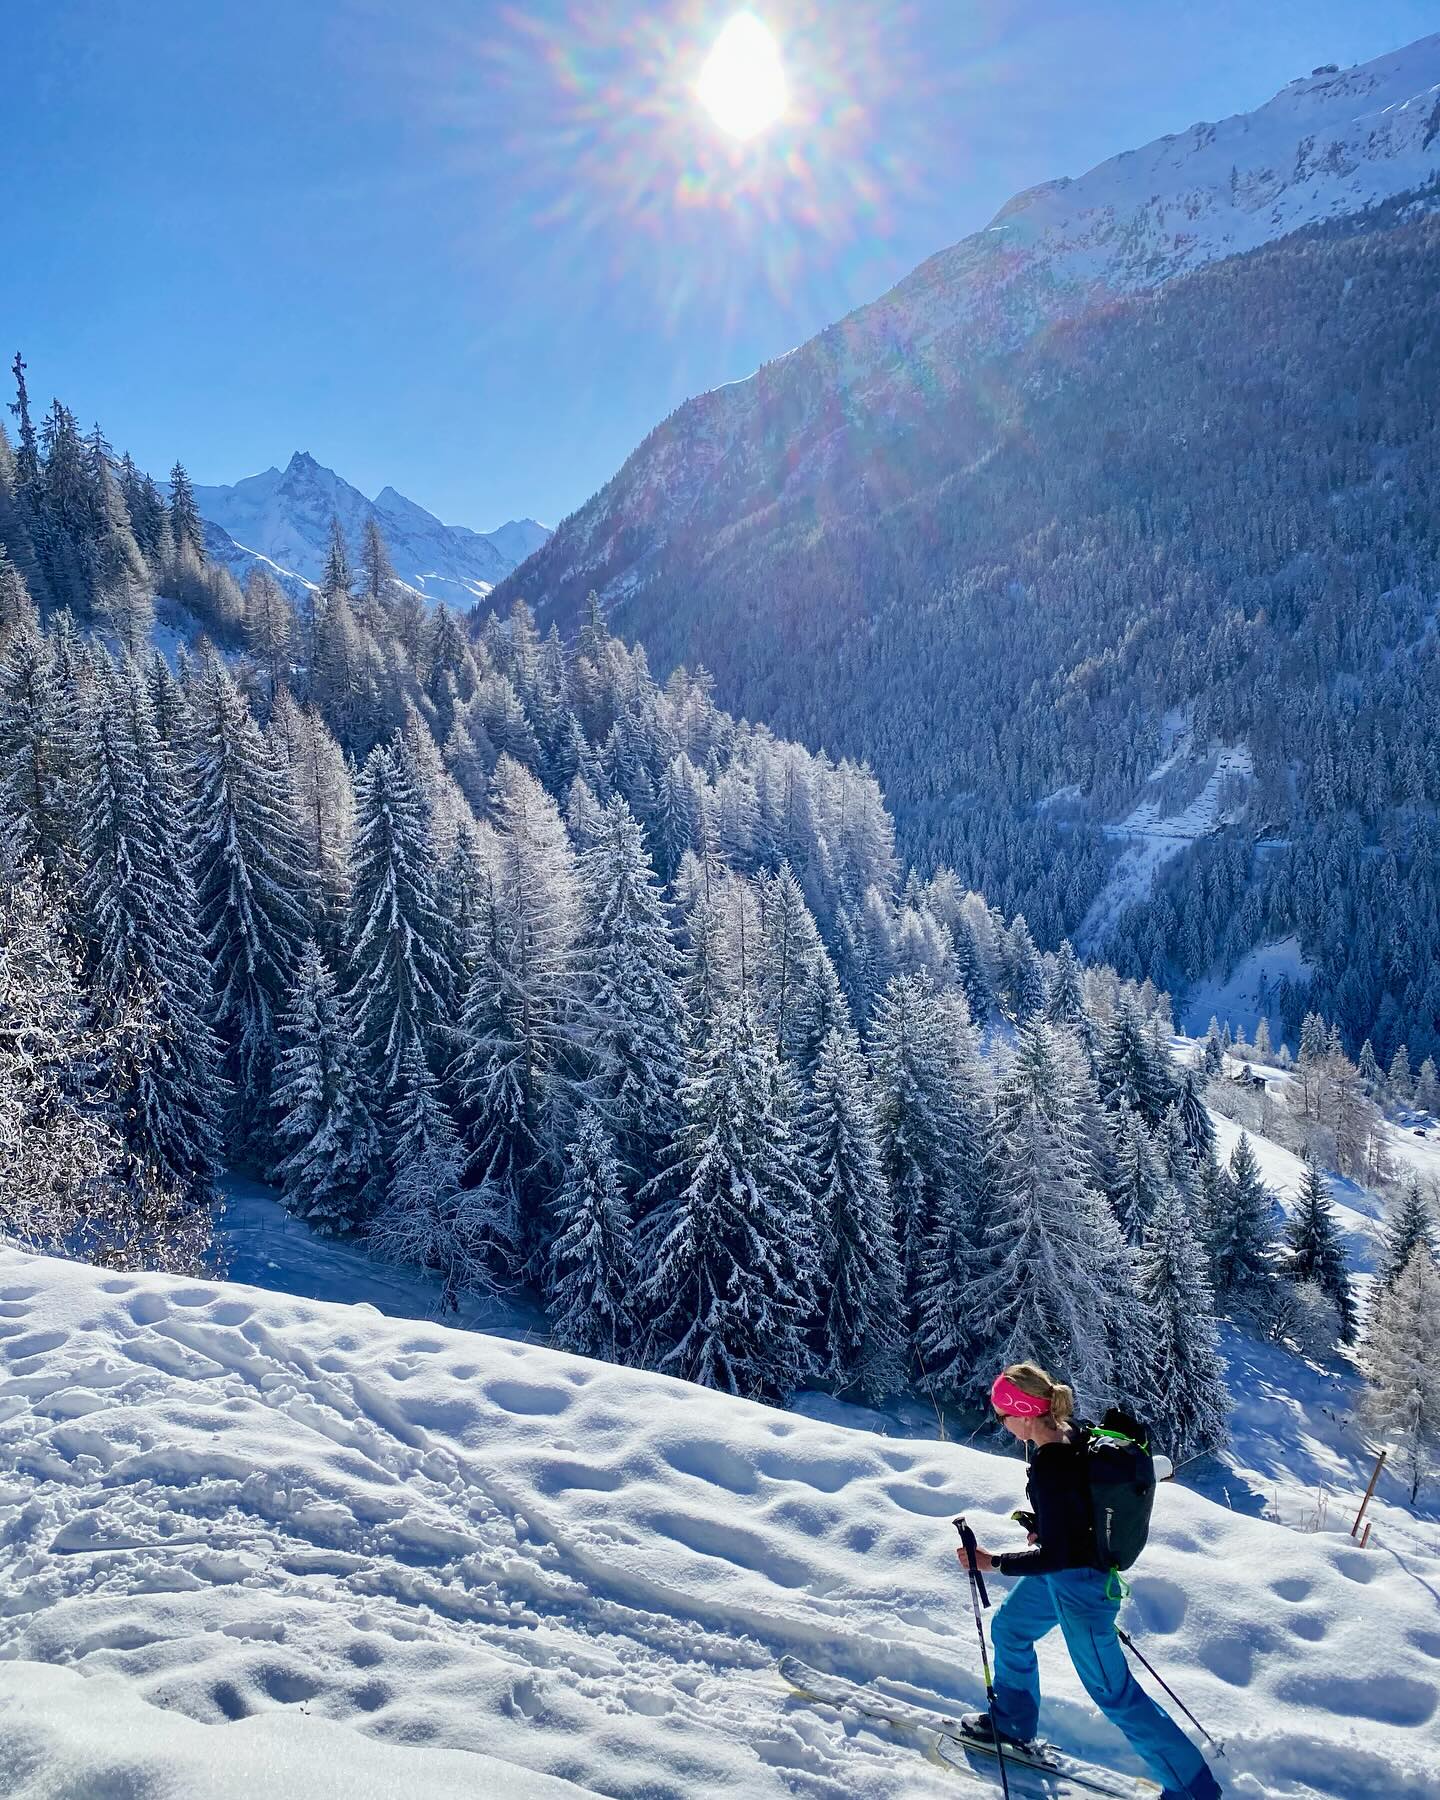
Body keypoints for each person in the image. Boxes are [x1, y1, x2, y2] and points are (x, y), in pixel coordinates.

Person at [959, 1361, 1221, 1800]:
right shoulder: (1074, 1433)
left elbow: (1058, 1553)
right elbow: (1076, 1515)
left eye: (1003, 1416)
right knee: (1011, 1629)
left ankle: (1193, 1791)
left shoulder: (1051, 1465)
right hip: (1064, 1574)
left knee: (1114, 1694)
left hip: (1083, 1589)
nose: (1002, 1425)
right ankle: (1012, 1722)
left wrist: (993, 1562)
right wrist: (1046, 1524)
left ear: (1023, 1413)